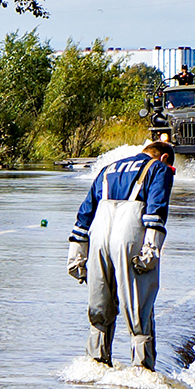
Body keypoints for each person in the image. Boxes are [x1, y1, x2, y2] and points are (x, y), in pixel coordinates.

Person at [66, 140, 177, 371]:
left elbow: (85, 211)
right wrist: (151, 251)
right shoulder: (159, 169)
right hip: (130, 232)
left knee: (100, 308)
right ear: (164, 158)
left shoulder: (108, 169)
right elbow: (156, 211)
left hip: (98, 233)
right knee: (139, 309)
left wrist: (76, 252)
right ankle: (142, 376)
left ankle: (95, 368)